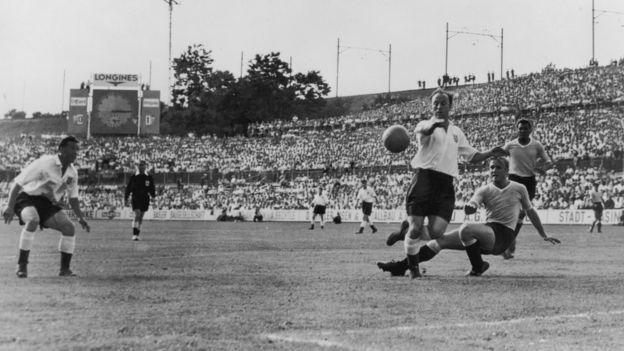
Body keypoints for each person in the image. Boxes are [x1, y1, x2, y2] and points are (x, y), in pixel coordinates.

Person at [386, 88, 507, 278]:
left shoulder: (456, 132)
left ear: (450, 106)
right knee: (417, 227)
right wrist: (434, 126)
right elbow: (424, 131)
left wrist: (491, 152)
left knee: (436, 232)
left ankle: (405, 233)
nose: (439, 106)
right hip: (424, 180)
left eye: (443, 103)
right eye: (435, 103)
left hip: (445, 185)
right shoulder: (424, 125)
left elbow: (471, 156)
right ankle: (414, 270)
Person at [377, 157, 560, 277]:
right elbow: (474, 202)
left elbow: (530, 210)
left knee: (466, 228)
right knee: (439, 241)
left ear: (507, 170)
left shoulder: (519, 188)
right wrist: (471, 207)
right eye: (491, 167)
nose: (493, 170)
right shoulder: (485, 189)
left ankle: (477, 267)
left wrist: (543, 234)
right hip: (487, 231)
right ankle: (401, 267)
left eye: (498, 167)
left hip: (502, 236)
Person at [2, 136, 90, 278]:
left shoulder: (73, 172)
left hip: (47, 203)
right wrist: (10, 206)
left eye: (77, 149)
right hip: (27, 198)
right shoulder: (45, 163)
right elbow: (18, 183)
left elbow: (73, 198)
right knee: (33, 220)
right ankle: (22, 266)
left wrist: (81, 218)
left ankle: (65, 269)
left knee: (69, 227)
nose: (76, 152)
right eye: (72, 148)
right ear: (61, 149)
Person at [501, 118, 553, 259]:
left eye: (525, 128)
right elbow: (499, 156)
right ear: (516, 130)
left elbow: (549, 162)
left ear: (531, 130)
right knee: (513, 213)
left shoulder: (536, 145)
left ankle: (509, 243)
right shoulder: (510, 145)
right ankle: (507, 244)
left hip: (529, 181)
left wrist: (543, 169)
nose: (522, 131)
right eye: (520, 128)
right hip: (513, 180)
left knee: (522, 213)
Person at [124, 160, 156, 241]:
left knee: (141, 217)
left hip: (145, 198)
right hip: (136, 197)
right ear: (138, 166)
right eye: (140, 165)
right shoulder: (134, 176)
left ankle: (137, 234)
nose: (141, 167)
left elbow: (152, 188)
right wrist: (126, 198)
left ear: (145, 166)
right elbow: (128, 188)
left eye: (143, 165)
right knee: (137, 214)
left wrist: (153, 197)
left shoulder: (149, 176)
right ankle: (134, 234)